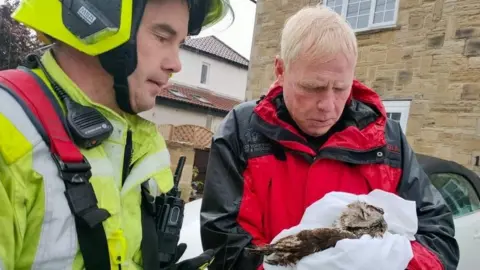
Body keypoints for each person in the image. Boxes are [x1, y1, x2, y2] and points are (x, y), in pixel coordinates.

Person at [200, 5, 459, 270]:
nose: (328, 105)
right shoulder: (242, 131)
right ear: (280, 69)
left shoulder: (387, 139)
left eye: (340, 88)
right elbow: (224, 244)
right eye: (312, 88)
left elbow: (439, 240)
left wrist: (387, 260)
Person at [0, 0, 233, 269]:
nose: (175, 64)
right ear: (92, 17)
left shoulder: (142, 142)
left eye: (179, 44)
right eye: (161, 37)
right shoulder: (9, 128)